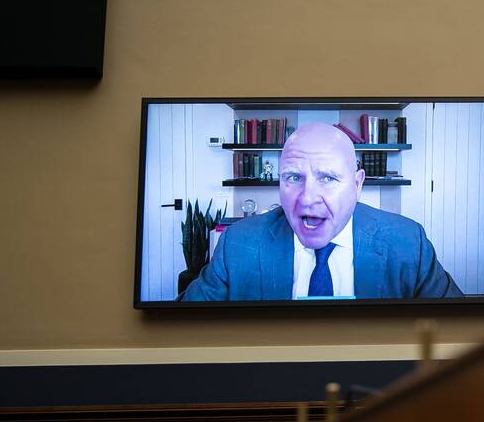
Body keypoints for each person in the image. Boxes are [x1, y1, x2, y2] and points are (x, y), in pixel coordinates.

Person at [180, 122, 461, 301]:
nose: (307, 197)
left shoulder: (408, 242)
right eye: (292, 177)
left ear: (357, 183)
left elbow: (457, 329)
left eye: (327, 178)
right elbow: (180, 330)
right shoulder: (239, 244)